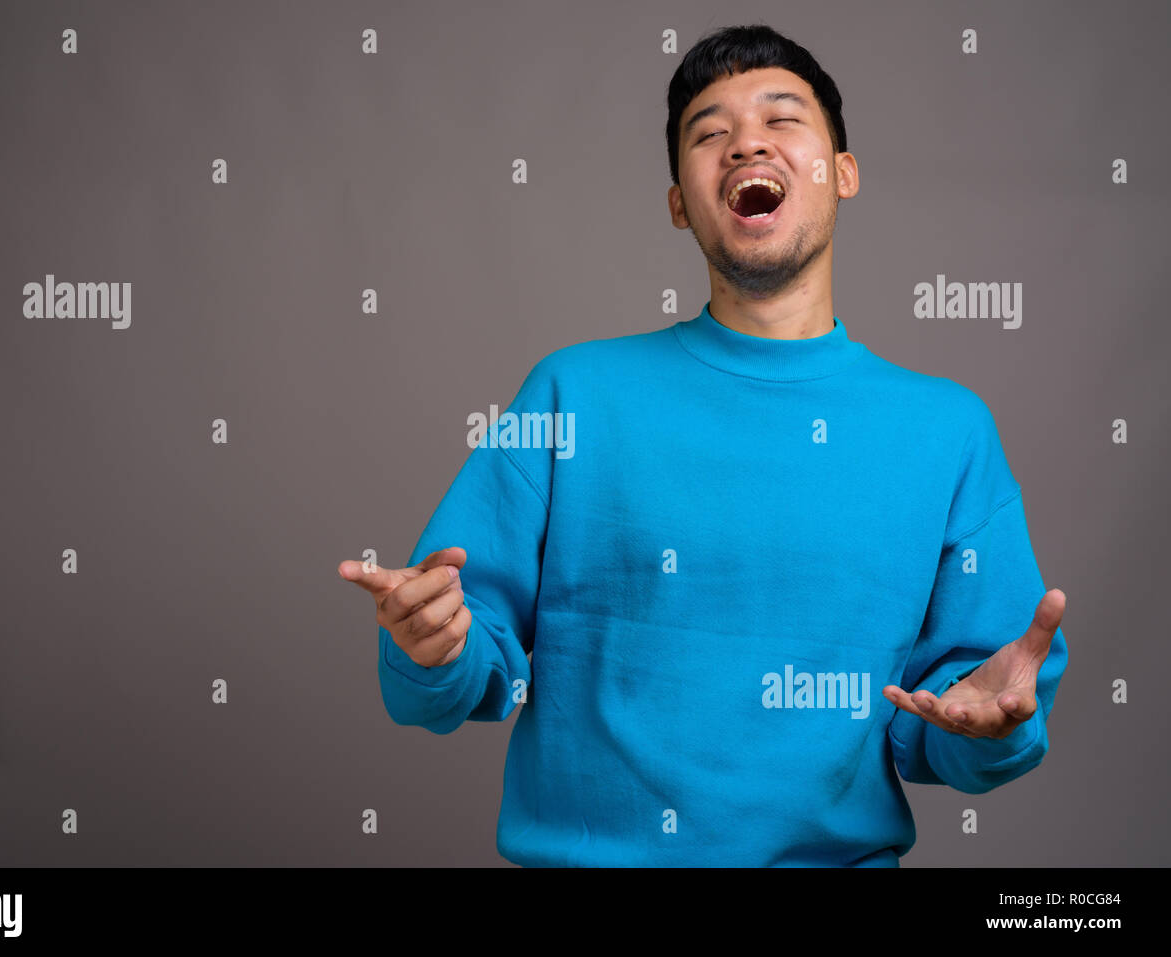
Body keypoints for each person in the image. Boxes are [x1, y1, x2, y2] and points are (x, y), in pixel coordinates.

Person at [338, 23, 1068, 867]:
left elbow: (958, 719)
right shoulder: (573, 394)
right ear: (680, 201)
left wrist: (984, 728)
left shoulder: (948, 429)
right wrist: (432, 647)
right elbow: (460, 652)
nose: (745, 141)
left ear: (843, 171)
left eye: (782, 119)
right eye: (709, 132)